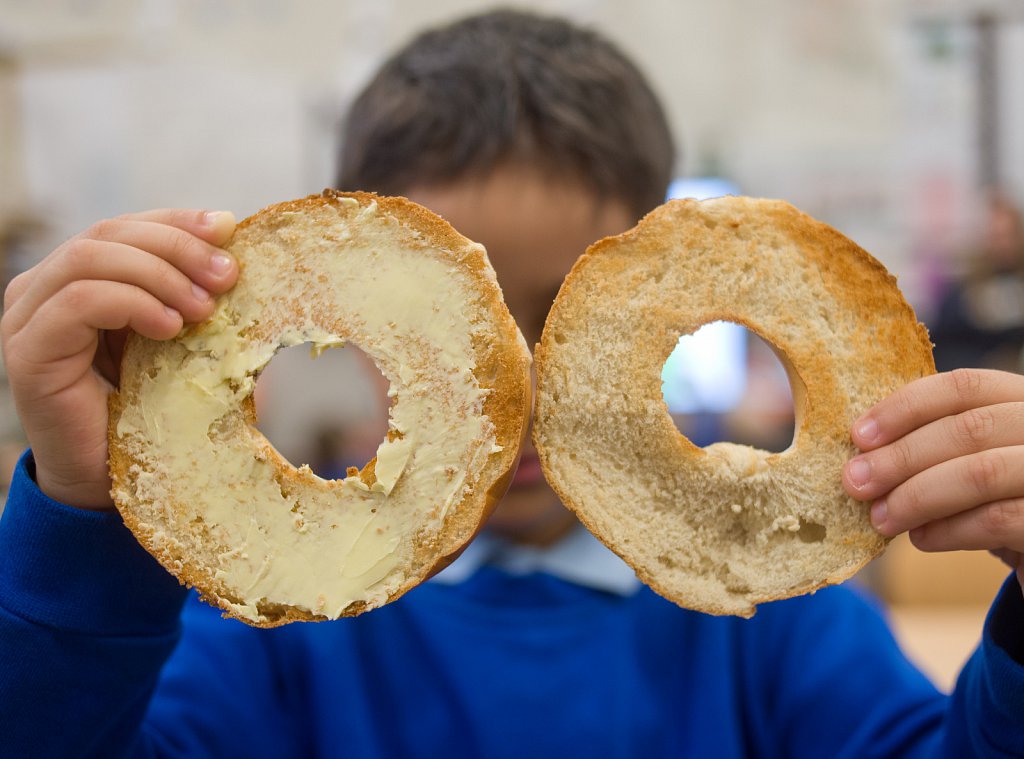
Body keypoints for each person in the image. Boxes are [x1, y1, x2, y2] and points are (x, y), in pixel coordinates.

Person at [2, 9, 1023, 758]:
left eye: (563, 319)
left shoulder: (771, 612)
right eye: (467, 337)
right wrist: (82, 525)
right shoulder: (276, 623)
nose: (517, 396)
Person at [930, 188, 1024, 372]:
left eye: (1008, 235)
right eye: (995, 236)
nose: (1001, 244)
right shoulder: (961, 293)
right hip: (975, 377)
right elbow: (939, 346)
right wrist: (985, 364)